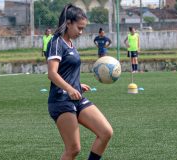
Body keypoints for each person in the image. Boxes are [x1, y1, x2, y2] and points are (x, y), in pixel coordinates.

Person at [45, 4, 113, 160]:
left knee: (105, 132)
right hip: (61, 101)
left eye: (83, 29)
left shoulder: (70, 43)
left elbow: (66, 71)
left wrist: (77, 85)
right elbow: (52, 73)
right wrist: (69, 88)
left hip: (76, 97)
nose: (81, 32)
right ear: (68, 23)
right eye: (79, 28)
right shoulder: (56, 43)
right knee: (73, 149)